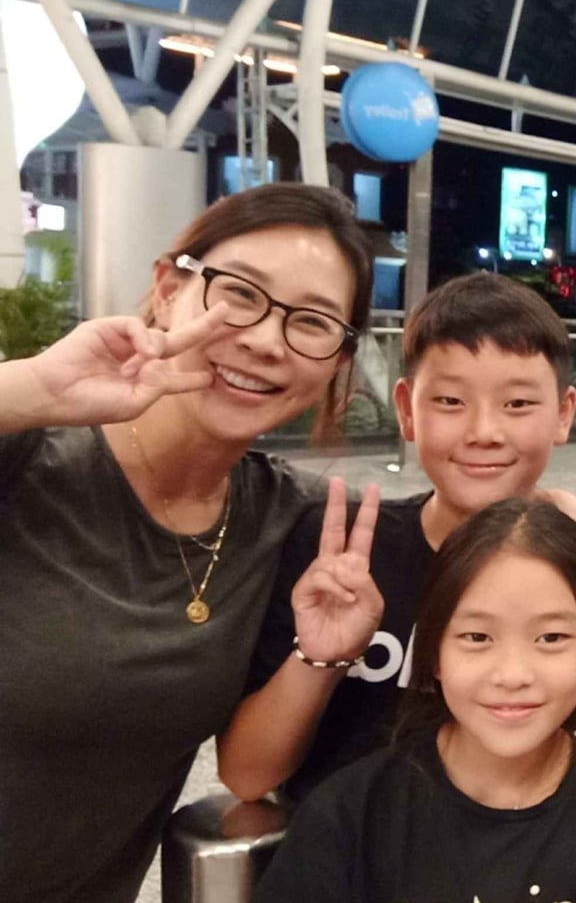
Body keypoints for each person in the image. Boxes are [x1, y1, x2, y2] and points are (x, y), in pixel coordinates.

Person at [0, 183, 374, 903]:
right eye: (240, 294)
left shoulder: (289, 521)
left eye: (312, 321)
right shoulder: (28, 454)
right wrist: (34, 389)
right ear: (169, 289)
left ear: (337, 359)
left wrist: (560, 518)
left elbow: (450, 527)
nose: (265, 339)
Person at [221, 271, 576, 805]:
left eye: (518, 404)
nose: (483, 431)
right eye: (450, 401)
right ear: (406, 410)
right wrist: (319, 659)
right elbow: (246, 776)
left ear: (564, 414)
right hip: (340, 849)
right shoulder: (338, 556)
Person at [252, 498, 576, 903]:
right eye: (477, 637)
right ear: (433, 652)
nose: (512, 675)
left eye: (551, 637)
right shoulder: (349, 815)